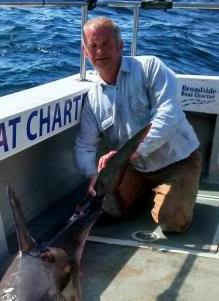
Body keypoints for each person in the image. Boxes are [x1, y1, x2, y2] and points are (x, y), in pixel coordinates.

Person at [74, 16, 201, 233]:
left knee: (171, 222)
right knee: (101, 211)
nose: (100, 51)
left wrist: (132, 152)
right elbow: (84, 147)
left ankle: (178, 190)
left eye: (106, 44)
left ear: (121, 46)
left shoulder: (150, 67)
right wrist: (94, 176)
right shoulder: (92, 98)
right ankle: (144, 191)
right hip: (135, 167)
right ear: (85, 53)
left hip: (178, 160)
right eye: (93, 46)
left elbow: (167, 116)